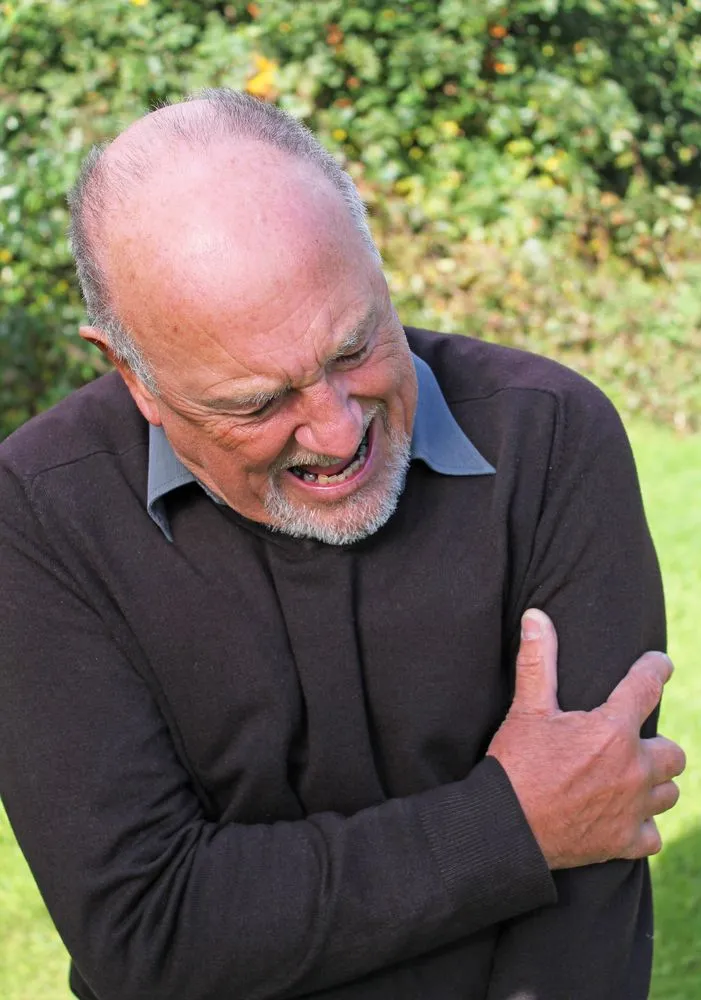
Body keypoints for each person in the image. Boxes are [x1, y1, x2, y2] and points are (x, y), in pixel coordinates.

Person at [0, 89, 686, 1000]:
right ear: (134, 376)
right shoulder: (37, 514)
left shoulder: (552, 438)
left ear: (375, 263)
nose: (334, 432)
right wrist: (510, 825)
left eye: (353, 347)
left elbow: (590, 885)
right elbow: (147, 932)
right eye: (257, 403)